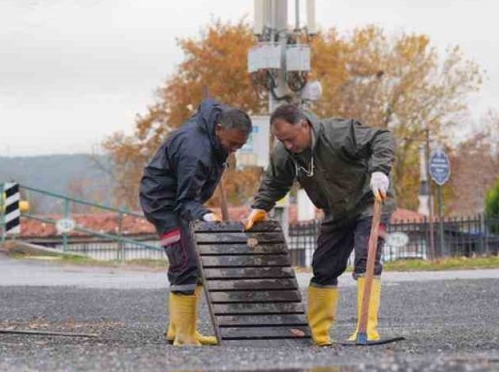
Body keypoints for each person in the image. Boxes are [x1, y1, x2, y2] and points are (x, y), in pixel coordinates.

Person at [245, 103, 395, 346]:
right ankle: (318, 333)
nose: (288, 145)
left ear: (304, 125)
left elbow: (382, 137)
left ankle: (366, 330)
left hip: (369, 201)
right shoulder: (285, 153)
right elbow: (274, 183)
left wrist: (380, 171)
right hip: (335, 211)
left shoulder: (337, 133)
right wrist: (260, 207)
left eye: (291, 139)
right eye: (283, 141)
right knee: (324, 267)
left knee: (366, 258)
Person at [140, 98, 251, 346]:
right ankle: (184, 335)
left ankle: (179, 327)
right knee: (185, 262)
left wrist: (200, 209)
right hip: (163, 203)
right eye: (232, 144)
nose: (234, 149)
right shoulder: (195, 150)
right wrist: (205, 215)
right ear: (219, 129)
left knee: (198, 259)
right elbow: (185, 201)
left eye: (240, 145)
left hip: (183, 200)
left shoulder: (219, 125)